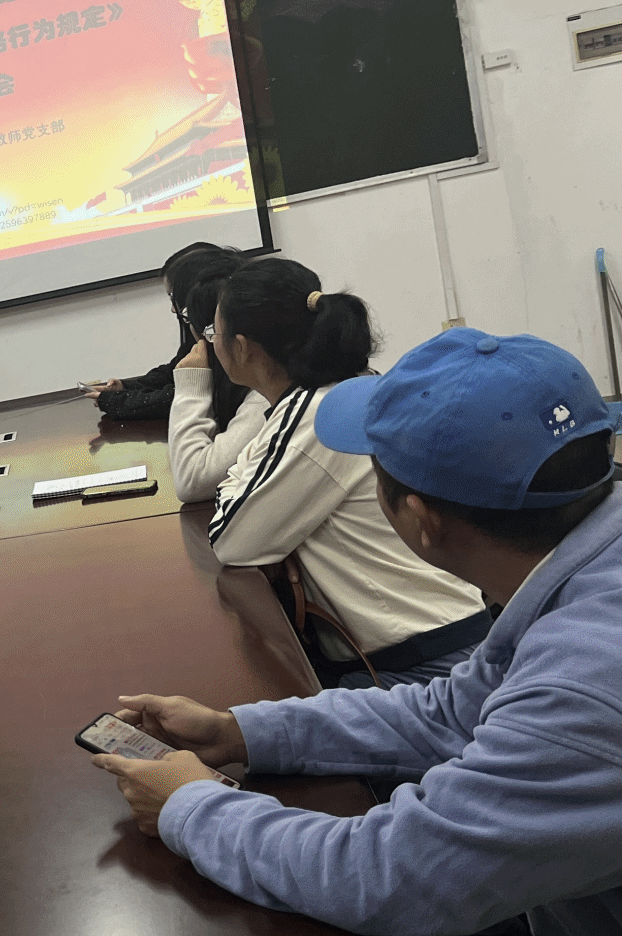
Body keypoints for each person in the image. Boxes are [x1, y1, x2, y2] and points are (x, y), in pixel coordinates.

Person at [90, 328, 622, 936]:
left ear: (417, 519)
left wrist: (190, 807)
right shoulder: (581, 566)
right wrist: (245, 731)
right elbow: (453, 711)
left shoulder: (587, 680)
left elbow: (396, 874)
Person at [202, 257, 488, 687]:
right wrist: (242, 481)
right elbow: (241, 478)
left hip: (417, 662)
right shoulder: (348, 387)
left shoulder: (316, 417)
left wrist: (238, 484)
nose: (212, 343)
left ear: (242, 347)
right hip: (445, 635)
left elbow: (232, 539)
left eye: (213, 333)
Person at [86, 242, 236, 421]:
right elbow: (174, 371)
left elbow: (177, 397)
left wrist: (116, 402)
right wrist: (127, 387)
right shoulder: (202, 335)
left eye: (174, 297)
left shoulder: (219, 338)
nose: (173, 309)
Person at [165, 262, 262, 502]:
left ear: (240, 344)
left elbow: (192, 481)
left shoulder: (266, 400)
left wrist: (191, 387)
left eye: (212, 334)